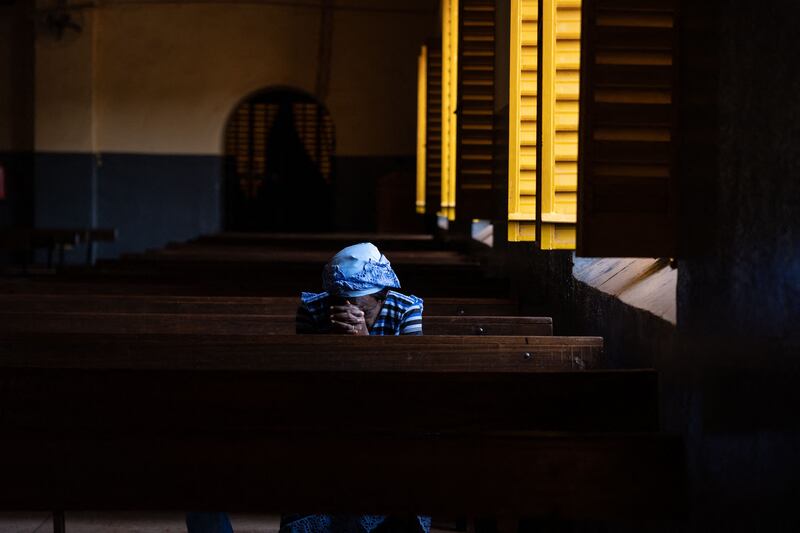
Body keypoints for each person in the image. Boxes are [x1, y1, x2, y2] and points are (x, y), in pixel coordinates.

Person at [187, 243, 427, 533]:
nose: (351, 311)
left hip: (384, 415)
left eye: (362, 307)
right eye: (343, 302)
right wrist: (334, 346)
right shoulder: (315, 309)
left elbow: (410, 382)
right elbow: (306, 380)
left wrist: (366, 345)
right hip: (323, 414)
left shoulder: (406, 309)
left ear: (382, 297)